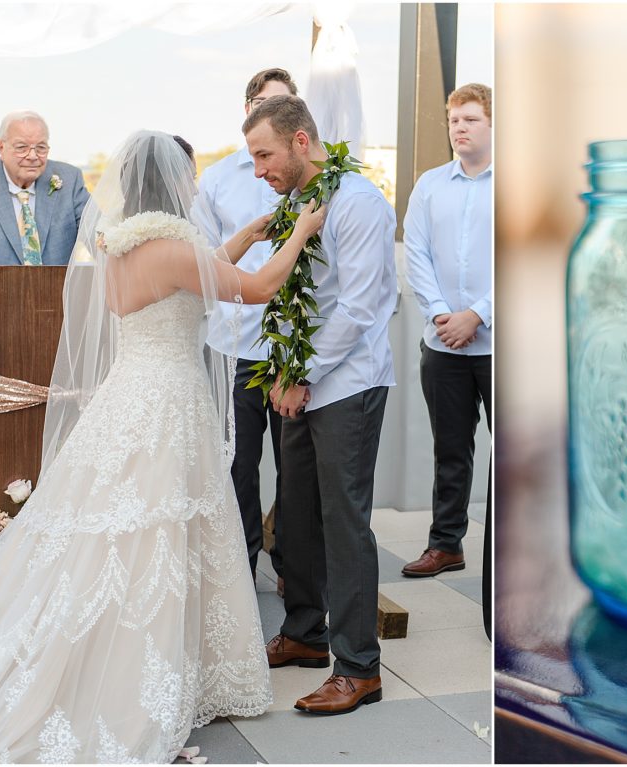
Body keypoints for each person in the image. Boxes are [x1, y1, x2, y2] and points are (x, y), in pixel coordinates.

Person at [0, 130, 328, 763]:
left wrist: (246, 239)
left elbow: (188, 280)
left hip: (129, 395)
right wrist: (302, 231)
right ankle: (143, 671)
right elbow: (250, 291)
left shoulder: (121, 245)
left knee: (120, 531)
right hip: (168, 401)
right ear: (171, 184)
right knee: (160, 533)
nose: (193, 186)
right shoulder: (171, 245)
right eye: (187, 176)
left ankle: (162, 660)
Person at [244, 96, 397, 716]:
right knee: (299, 515)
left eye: (265, 155)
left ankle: (358, 667)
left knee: (344, 521)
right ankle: (305, 634)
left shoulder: (357, 202)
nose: (258, 170)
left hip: (349, 383)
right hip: (299, 380)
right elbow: (294, 297)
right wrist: (285, 368)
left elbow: (360, 308)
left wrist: (300, 374)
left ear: (301, 142)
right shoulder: (295, 205)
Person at [191, 67, 298, 593]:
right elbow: (205, 262)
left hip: (293, 350)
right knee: (238, 467)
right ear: (246, 109)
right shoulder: (216, 179)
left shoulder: (314, 179)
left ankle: (294, 573)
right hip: (233, 346)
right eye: (260, 102)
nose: (268, 111)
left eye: (280, 103)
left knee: (296, 470)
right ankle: (239, 571)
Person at [402, 83, 492, 581]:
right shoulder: (430, 184)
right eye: (454, 120)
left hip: (500, 345)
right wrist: (442, 315)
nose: (459, 128)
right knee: (450, 450)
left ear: (494, 124)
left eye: (471, 119)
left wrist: (477, 315)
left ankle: (516, 551)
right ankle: (446, 545)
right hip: (443, 345)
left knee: (515, 454)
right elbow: (416, 254)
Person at [0, 110, 89, 265]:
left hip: (55, 287)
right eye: (21, 147)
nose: (32, 156)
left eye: (40, 147)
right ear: (1, 146)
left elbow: (98, 235)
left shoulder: (69, 179)